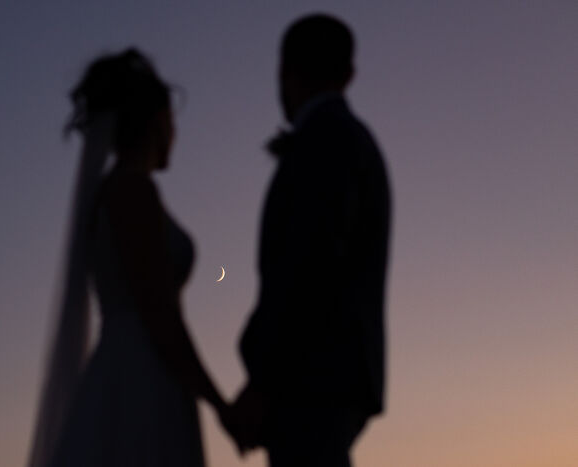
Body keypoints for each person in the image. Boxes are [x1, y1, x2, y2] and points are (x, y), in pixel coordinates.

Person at [28, 49, 226, 467]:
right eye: (172, 121)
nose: (176, 134)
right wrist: (219, 403)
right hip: (144, 377)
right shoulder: (132, 191)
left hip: (128, 371)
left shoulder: (115, 193)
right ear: (156, 120)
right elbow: (161, 316)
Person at [225, 14, 392, 467]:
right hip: (331, 373)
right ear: (349, 74)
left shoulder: (325, 140)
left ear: (284, 69)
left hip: (314, 376)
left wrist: (263, 380)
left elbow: (307, 268)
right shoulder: (348, 139)